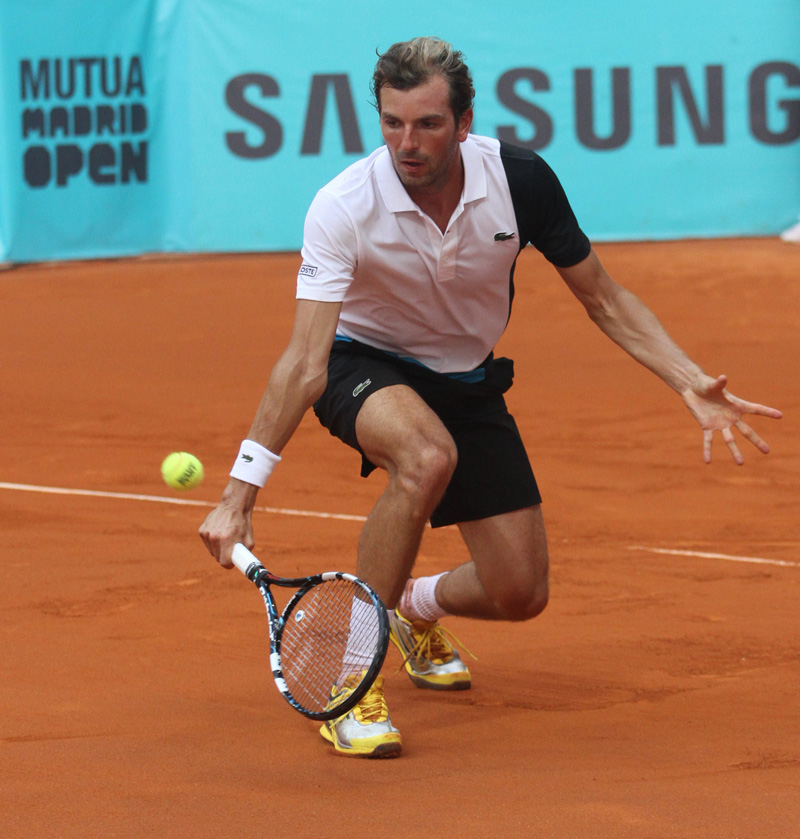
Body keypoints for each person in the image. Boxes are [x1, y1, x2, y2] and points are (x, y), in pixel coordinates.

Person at [199, 37, 782, 758]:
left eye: (427, 124)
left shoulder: (520, 181)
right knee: (425, 456)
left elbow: (604, 298)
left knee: (519, 592)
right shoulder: (343, 206)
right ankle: (352, 681)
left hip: (466, 378)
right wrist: (240, 492)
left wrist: (688, 378)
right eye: (392, 123)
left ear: (465, 121)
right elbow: (302, 363)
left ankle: (410, 606)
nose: (407, 144)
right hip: (362, 362)